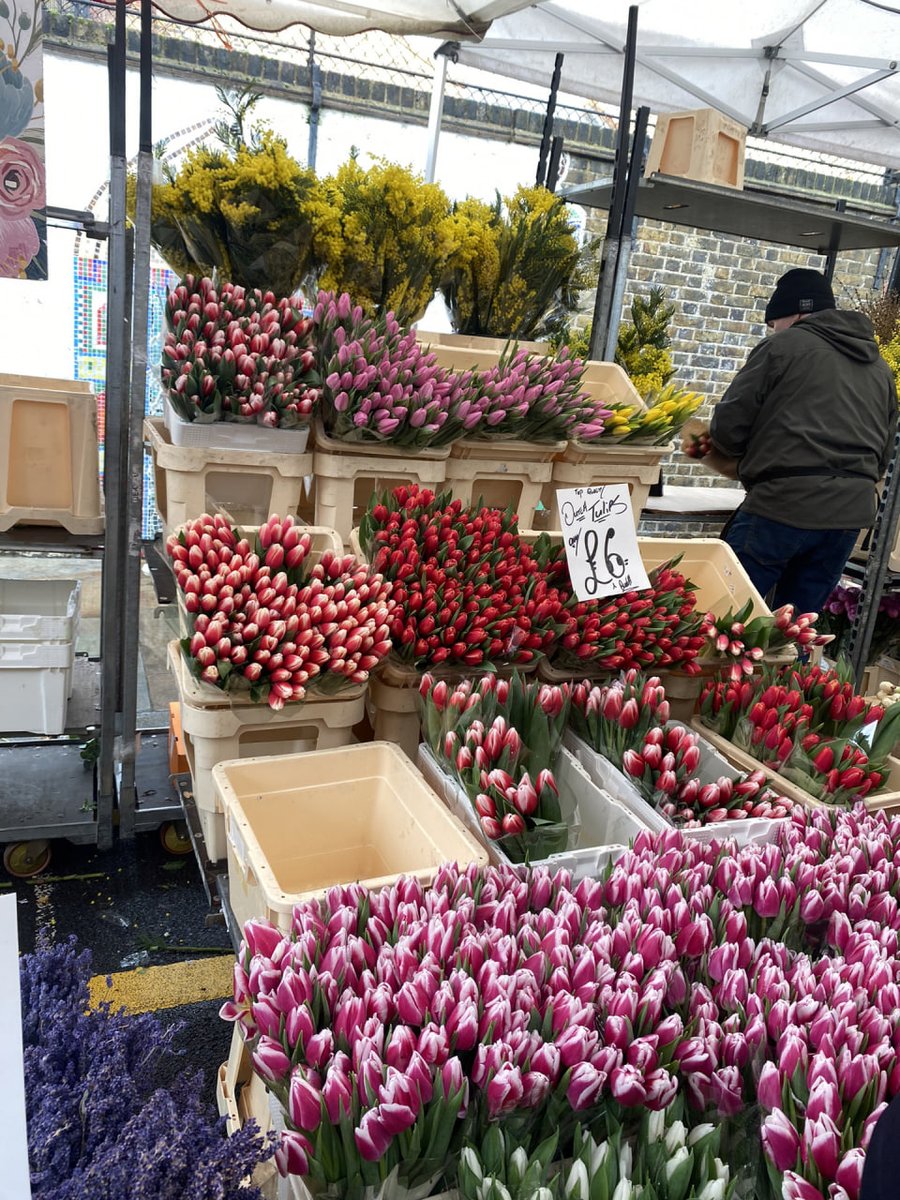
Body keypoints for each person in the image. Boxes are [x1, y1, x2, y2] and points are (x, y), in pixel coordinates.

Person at [682, 268, 898, 613]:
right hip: (846, 518)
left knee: (724, 613)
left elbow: (728, 430)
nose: (771, 329)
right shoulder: (880, 369)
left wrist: (732, 456)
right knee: (794, 629)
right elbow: (885, 455)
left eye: (773, 321)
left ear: (795, 312)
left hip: (781, 507)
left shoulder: (782, 346)